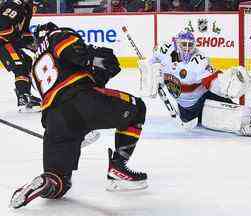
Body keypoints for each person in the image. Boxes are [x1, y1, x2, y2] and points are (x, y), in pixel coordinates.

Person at [10, 22, 148, 209]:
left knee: (59, 182)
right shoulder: (57, 35)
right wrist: (98, 57)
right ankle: (118, 167)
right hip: (80, 100)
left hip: (53, 120)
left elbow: (71, 73)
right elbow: (77, 54)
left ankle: (44, 183)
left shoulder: (35, 64)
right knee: (137, 108)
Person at [139, 30, 251, 136]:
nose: (187, 48)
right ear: (176, 45)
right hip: (187, 110)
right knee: (211, 114)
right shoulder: (165, 51)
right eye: (183, 44)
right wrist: (148, 69)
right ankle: (241, 119)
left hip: (201, 100)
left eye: (190, 45)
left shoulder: (199, 61)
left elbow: (212, 82)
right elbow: (152, 60)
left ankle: (249, 121)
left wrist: (225, 86)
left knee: (220, 100)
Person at [0, 0, 41, 112]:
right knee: (20, 65)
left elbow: (24, 32)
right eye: (36, 5)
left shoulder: (26, 9)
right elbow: (2, 27)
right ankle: (23, 97)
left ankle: (24, 94)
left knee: (27, 61)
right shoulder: (15, 5)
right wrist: (18, 38)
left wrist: (34, 44)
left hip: (8, 42)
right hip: (3, 42)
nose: (36, 8)